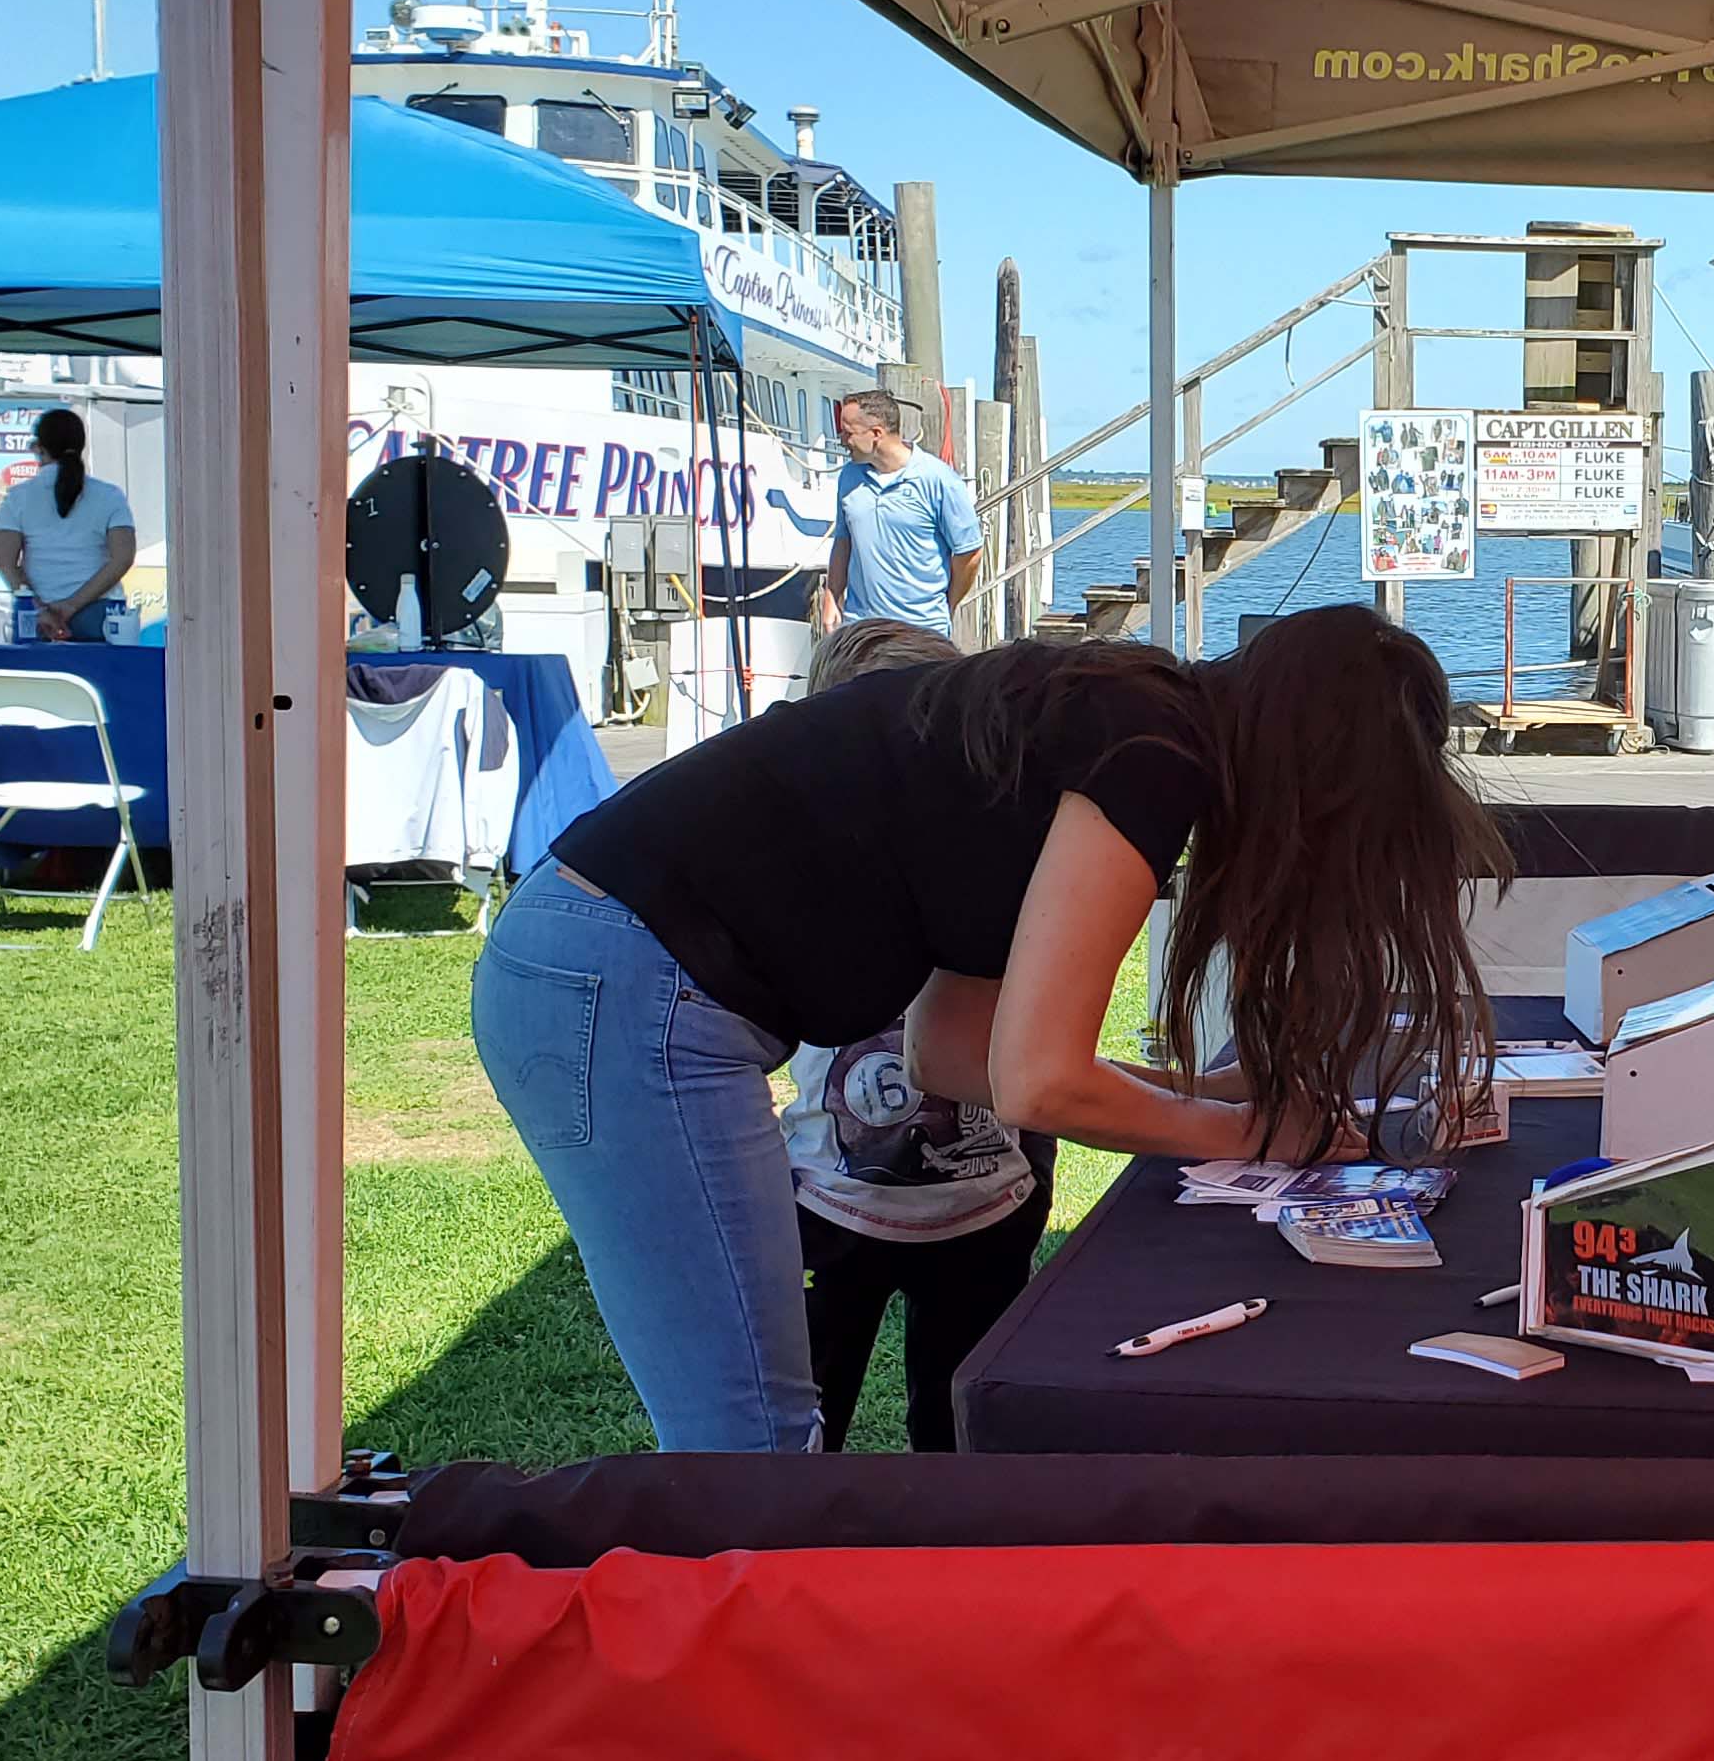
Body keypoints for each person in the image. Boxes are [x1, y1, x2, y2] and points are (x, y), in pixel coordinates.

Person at [474, 601, 1506, 1451]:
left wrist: (1203, 1093)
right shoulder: (1152, 754)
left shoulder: (1092, 724)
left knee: (756, 1433)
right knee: (747, 1438)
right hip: (625, 979)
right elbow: (1039, 1085)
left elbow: (956, 1056)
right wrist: (1258, 1133)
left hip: (597, 957)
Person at [780, 617, 1057, 1450]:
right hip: (829, 1199)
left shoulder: (1012, 856)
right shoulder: (797, 864)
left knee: (958, 1429)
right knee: (801, 1419)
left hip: (987, 1205)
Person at [821, 388, 981, 637]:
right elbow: (843, 540)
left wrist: (947, 604)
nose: (842, 440)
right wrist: (832, 596)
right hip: (861, 629)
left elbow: (969, 552)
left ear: (876, 434)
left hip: (921, 632)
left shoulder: (939, 480)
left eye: (848, 433)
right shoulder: (849, 476)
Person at [0, 410, 139, 642]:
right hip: (99, 614)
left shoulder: (17, 498)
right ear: (81, 445)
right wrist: (72, 605)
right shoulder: (110, 496)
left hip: (36, 618)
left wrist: (39, 609)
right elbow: (123, 558)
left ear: (39, 448)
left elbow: (2, 559)